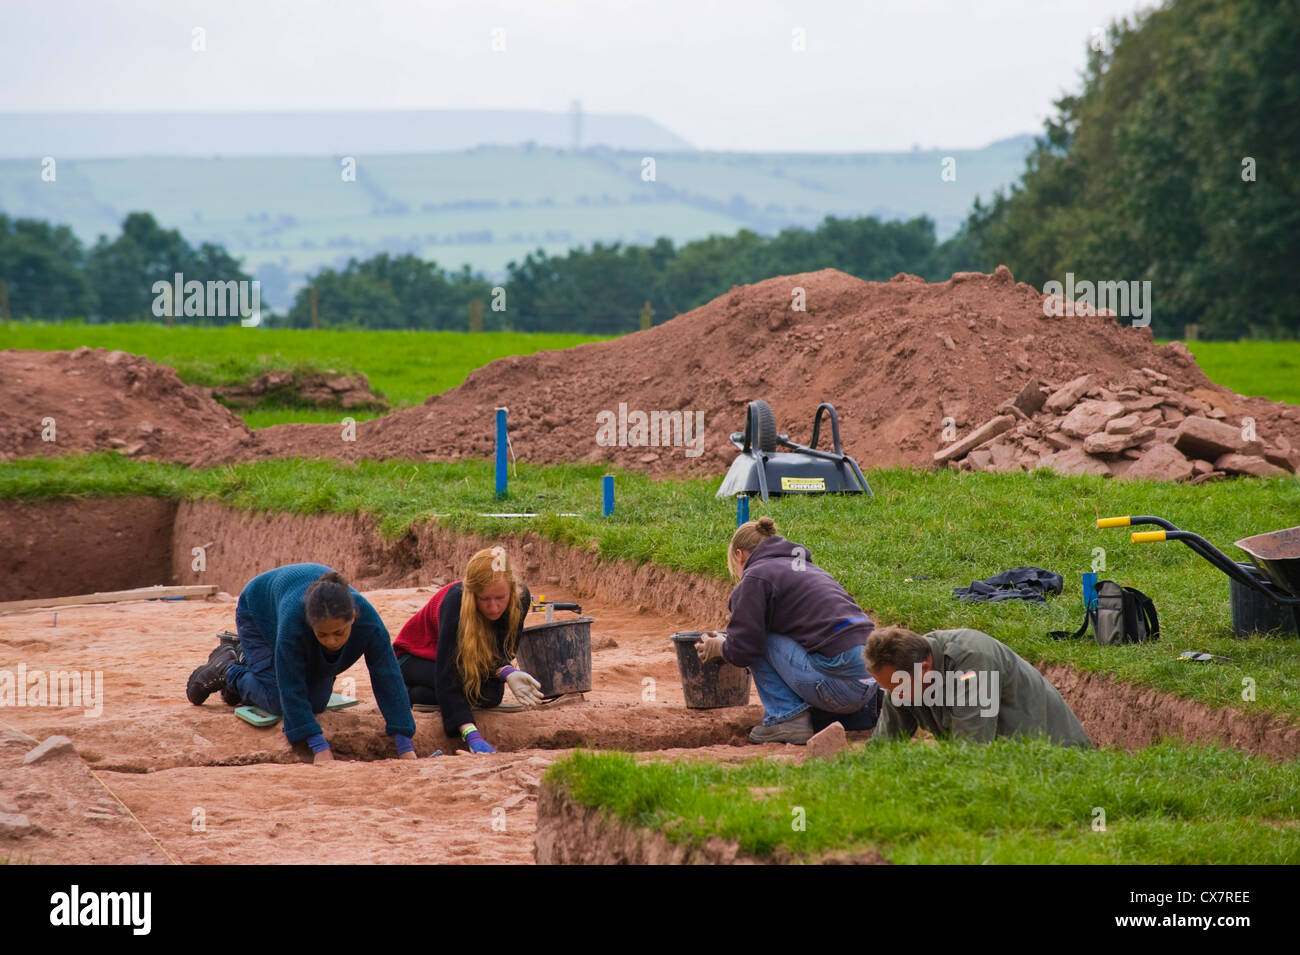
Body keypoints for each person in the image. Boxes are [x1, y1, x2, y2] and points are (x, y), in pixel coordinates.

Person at [185, 563, 417, 763]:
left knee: (316, 703)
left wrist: (405, 743)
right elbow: (290, 685)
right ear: (309, 624)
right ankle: (229, 668)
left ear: (353, 617)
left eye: (339, 633)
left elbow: (388, 676)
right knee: (277, 699)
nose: (332, 641)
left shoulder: (370, 623)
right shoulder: (292, 625)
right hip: (258, 612)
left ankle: (249, 666)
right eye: (322, 635)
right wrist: (319, 747)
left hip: (289, 606)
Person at [696, 516, 879, 745]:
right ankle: (841, 716)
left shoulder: (755, 577)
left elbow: (744, 647)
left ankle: (787, 718)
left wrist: (722, 648)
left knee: (758, 638)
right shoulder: (808, 569)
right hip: (872, 684)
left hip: (839, 687)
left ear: (740, 555)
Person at [393, 547, 541, 754]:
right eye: (484, 599)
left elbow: (499, 652)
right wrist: (471, 734)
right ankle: (407, 692)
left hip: (461, 663)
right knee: (463, 683)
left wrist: (508, 672)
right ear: (472, 595)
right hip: (413, 659)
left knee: (490, 696)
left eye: (500, 598)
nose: (493, 607)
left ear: (511, 590)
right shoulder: (455, 601)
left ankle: (419, 696)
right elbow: (448, 672)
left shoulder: (520, 599)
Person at [864, 625, 1092, 747]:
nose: (896, 696)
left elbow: (972, 750)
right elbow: (884, 747)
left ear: (924, 668)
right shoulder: (904, 673)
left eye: (899, 689)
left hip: (1057, 759)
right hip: (1010, 763)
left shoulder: (973, 662)